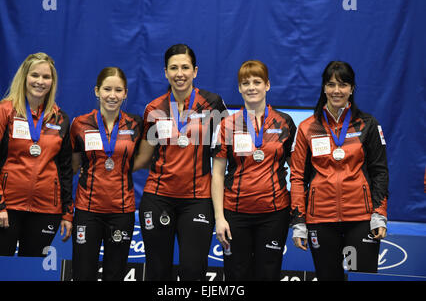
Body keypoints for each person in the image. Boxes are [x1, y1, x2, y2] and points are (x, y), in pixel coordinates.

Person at [133, 43, 227, 280]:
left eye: (185, 67)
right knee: (157, 270)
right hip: (158, 197)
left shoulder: (213, 104)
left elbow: (225, 154)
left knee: (193, 271)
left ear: (195, 71)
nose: (180, 73)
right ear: (165, 72)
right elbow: (143, 158)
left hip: (197, 200)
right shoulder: (154, 109)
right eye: (173, 68)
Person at [290, 61, 389, 281]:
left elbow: (380, 171)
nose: (337, 90)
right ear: (324, 88)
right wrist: (298, 220)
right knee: (329, 278)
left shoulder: (367, 124)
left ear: (352, 89)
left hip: (360, 219)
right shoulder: (308, 127)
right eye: (331, 84)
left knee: (359, 277)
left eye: (343, 85)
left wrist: (379, 213)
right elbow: (297, 176)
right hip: (321, 220)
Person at [0, 52, 73, 257]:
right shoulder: (3, 111)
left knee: (32, 273)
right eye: (35, 75)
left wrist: (67, 211)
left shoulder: (60, 119)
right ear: (24, 77)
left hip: (46, 211)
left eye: (46, 77)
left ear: (53, 82)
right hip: (5, 208)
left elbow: (65, 169)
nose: (40, 81)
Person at [211, 60, 296, 281]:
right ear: (239, 88)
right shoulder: (227, 124)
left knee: (268, 274)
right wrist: (219, 218)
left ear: (267, 85)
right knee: (236, 276)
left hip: (274, 213)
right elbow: (217, 174)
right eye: (245, 83)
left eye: (257, 82)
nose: (251, 87)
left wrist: (299, 214)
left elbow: (296, 171)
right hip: (235, 214)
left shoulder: (285, 123)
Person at [70, 67, 143, 281]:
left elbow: (145, 157)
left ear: (125, 93)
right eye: (107, 89)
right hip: (87, 210)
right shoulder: (79, 124)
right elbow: (74, 165)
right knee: (83, 274)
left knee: (115, 274)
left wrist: (123, 169)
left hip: (121, 211)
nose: (112, 95)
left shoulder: (136, 124)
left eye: (118, 90)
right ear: (96, 91)